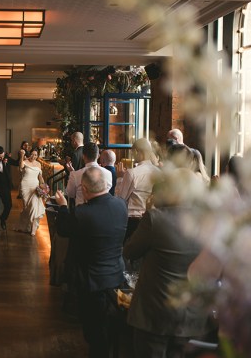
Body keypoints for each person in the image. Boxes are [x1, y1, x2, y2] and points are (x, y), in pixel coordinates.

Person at [124, 168, 213, 358]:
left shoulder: (156, 218)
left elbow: (130, 251)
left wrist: (149, 212)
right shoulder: (210, 223)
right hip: (193, 316)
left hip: (155, 313)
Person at [55, 167, 128, 358]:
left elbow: (63, 229)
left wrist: (62, 206)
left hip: (92, 280)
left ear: (84, 190)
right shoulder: (121, 205)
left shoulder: (82, 213)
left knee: (94, 333)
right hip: (116, 277)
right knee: (111, 330)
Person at [115, 138, 161, 243]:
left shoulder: (132, 173)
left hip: (133, 221)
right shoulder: (159, 173)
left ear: (136, 151)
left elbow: (120, 200)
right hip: (153, 218)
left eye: (132, 152)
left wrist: (119, 178)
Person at [67, 143, 113, 207]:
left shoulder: (75, 175)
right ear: (98, 156)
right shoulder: (108, 173)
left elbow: (70, 194)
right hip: (103, 211)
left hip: (81, 213)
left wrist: (72, 173)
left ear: (83, 156)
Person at [15, 148, 46, 236]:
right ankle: (26, 226)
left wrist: (43, 185)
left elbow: (40, 176)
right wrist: (21, 156)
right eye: (32, 154)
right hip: (25, 186)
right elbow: (20, 167)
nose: (33, 156)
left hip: (35, 187)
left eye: (35, 155)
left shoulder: (39, 164)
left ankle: (33, 228)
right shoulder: (24, 161)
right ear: (29, 154)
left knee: (34, 206)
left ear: (37, 156)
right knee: (27, 207)